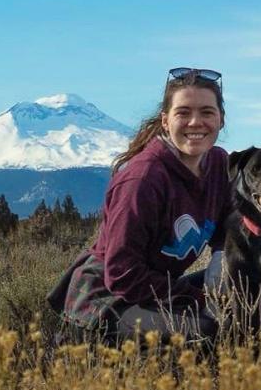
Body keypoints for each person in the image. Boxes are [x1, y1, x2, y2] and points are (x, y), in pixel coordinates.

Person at [50, 68, 230, 345]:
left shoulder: (218, 164)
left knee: (249, 297)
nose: (196, 122)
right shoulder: (143, 179)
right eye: (183, 112)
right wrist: (196, 298)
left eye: (207, 112)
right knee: (206, 332)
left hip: (155, 286)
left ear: (221, 119)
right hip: (107, 299)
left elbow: (227, 228)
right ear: (166, 121)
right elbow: (123, 275)